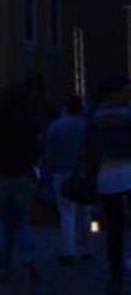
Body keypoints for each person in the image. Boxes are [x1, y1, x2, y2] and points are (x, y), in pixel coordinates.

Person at [0, 87, 41, 282]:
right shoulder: (27, 122)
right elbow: (36, 148)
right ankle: (28, 260)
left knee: (1, 221)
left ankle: (3, 264)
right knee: (22, 221)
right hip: (22, 173)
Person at [89, 79, 131, 295]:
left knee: (114, 229)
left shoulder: (94, 115)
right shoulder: (128, 113)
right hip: (128, 171)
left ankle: (115, 276)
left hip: (106, 177)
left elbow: (89, 148)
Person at [44, 96, 92, 264]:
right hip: (84, 173)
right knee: (85, 211)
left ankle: (68, 250)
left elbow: (49, 153)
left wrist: (48, 174)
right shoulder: (87, 126)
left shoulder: (56, 126)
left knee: (67, 213)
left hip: (62, 172)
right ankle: (86, 247)